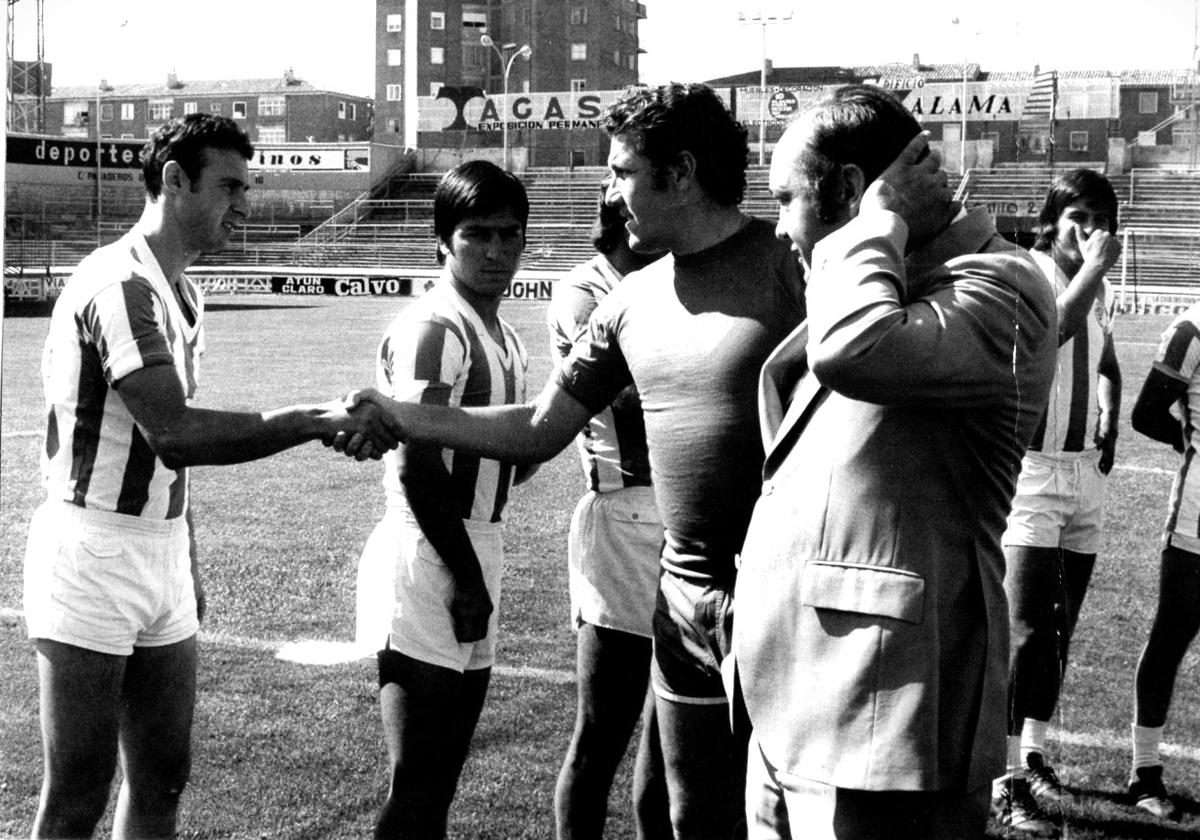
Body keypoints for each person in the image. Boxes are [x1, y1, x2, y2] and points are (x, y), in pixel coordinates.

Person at [346, 82, 806, 839]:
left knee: (792, 808)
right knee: (694, 812)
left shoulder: (793, 266)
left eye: (623, 171)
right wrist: (396, 413)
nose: (611, 189)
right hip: (686, 595)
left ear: (680, 172)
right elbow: (536, 426)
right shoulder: (629, 301)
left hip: (784, 584)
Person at [22, 113, 398, 839]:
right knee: (78, 793)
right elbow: (176, 433)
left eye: (246, 185)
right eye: (229, 185)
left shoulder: (182, 293)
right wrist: (313, 419)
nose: (245, 202)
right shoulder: (116, 284)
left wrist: (183, 554)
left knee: (163, 774)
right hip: (91, 551)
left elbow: (167, 451)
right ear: (173, 179)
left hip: (156, 546)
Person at [730, 84, 1057, 840]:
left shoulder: (1003, 288)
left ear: (851, 188)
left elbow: (854, 350)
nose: (779, 228)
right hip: (792, 705)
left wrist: (877, 221)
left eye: (786, 199)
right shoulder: (883, 279)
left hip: (885, 717)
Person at [355, 160, 533, 840]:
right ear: (443, 242)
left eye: (508, 235)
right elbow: (415, 462)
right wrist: (464, 575)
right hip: (429, 549)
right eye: (476, 235)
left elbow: (505, 459)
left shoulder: (505, 335)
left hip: (474, 545)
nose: (494, 251)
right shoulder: (436, 327)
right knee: (419, 780)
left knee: (443, 778)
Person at [993, 169, 1123, 836]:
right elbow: (1045, 344)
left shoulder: (1092, 288)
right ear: (1052, 217)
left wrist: (1107, 408)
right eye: (1078, 213)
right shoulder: (1032, 271)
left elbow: (1104, 361)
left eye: (1101, 215)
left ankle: (1033, 752)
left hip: (1082, 475)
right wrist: (1093, 271)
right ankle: (1003, 779)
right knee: (1025, 631)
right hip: (1031, 475)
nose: (1090, 227)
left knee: (1062, 628)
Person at [546, 190, 670, 840]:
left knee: (673, 741)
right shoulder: (584, 291)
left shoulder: (674, 281)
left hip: (690, 518)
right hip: (623, 516)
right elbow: (625, 396)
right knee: (600, 736)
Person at [1121, 302, 1200, 823]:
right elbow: (1147, 413)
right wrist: (1191, 444)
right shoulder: (1193, 327)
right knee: (1172, 632)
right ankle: (1144, 771)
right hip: (1199, 509)